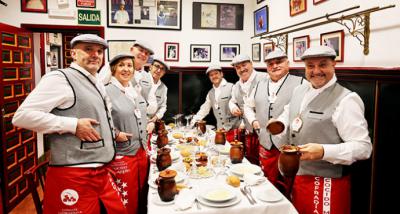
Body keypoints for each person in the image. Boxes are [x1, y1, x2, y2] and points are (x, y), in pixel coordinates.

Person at [12, 34, 127, 213]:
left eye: (99, 51)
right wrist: (72, 125)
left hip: (101, 171)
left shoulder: (96, 81)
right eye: (88, 49)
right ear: (73, 54)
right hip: (74, 173)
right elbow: (22, 116)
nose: (95, 54)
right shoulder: (60, 78)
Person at [277, 46, 372, 213]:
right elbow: (288, 113)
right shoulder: (299, 90)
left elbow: (363, 148)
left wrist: (323, 151)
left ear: (333, 65)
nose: (316, 71)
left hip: (328, 183)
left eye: (323, 65)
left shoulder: (347, 100)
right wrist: (278, 124)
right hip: (298, 178)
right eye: (310, 66)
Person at [244, 50, 304, 188]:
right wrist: (253, 121)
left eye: (279, 62)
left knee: (290, 185)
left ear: (288, 63)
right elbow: (247, 106)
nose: (274, 66)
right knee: (265, 183)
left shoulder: (301, 83)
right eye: (270, 63)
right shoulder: (259, 85)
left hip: (290, 146)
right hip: (265, 143)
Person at [105, 54, 153, 214]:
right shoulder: (106, 91)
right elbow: (99, 120)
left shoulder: (133, 90)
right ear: (113, 69)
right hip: (123, 154)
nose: (126, 69)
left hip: (141, 152)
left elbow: (143, 113)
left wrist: (149, 123)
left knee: (141, 194)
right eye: (121, 65)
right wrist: (115, 133)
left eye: (129, 65)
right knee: (125, 201)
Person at [229, 54, 267, 164]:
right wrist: (233, 107)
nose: (241, 69)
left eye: (244, 65)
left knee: (264, 163)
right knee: (251, 160)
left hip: (264, 129)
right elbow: (232, 101)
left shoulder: (264, 78)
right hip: (248, 130)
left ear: (251, 64)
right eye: (237, 67)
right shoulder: (237, 85)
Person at [191, 65, 239, 137]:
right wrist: (193, 122)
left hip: (235, 130)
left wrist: (243, 124)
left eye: (216, 73)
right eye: (211, 75)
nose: (214, 76)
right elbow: (204, 109)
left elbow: (242, 106)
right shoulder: (210, 93)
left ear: (221, 74)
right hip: (220, 131)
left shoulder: (232, 87)